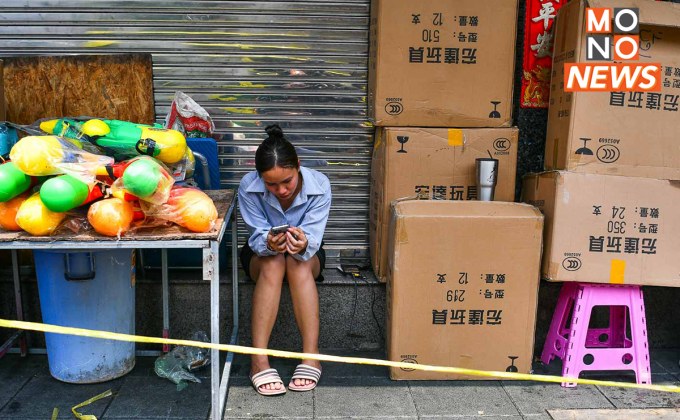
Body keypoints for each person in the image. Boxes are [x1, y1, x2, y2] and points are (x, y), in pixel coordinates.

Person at [238, 124, 331, 396]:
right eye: (271, 184)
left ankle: (311, 355)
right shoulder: (248, 187)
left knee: (298, 263)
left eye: (286, 181)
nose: (280, 190)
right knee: (275, 261)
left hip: (306, 256)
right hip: (261, 256)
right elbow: (255, 235)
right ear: (260, 177)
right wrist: (268, 243)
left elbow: (314, 237)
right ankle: (258, 360)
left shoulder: (320, 184)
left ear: (298, 166)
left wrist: (302, 244)